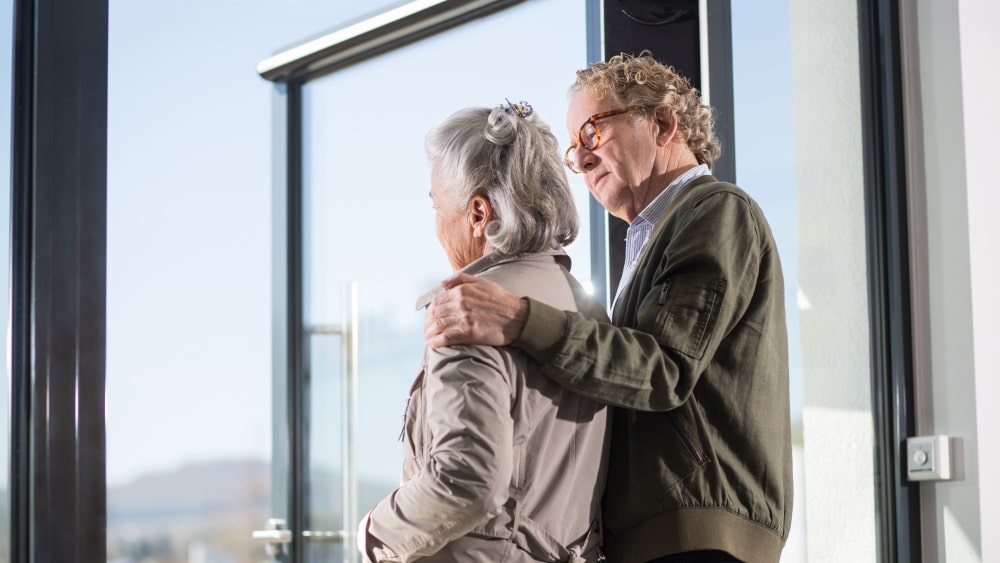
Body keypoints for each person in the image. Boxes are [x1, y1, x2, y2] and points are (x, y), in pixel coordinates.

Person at [424, 53, 793, 563]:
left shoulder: (717, 211)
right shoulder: (653, 236)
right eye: (575, 151)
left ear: (662, 122)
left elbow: (663, 368)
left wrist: (519, 319)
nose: (583, 159)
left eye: (593, 133)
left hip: (699, 537)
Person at [357, 100, 612, 563]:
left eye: (437, 205)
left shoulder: (469, 312)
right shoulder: (585, 309)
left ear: (478, 213)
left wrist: (375, 531)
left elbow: (467, 482)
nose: (435, 224)